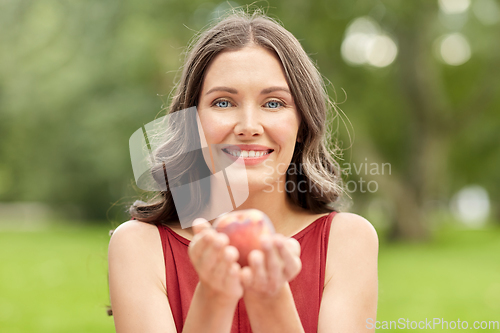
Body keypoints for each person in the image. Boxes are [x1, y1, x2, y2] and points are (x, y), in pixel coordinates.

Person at [108, 9, 378, 333]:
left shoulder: (348, 241)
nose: (249, 127)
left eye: (274, 103)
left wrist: (270, 300)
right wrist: (213, 298)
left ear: (302, 125)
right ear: (191, 123)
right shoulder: (138, 246)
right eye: (223, 102)